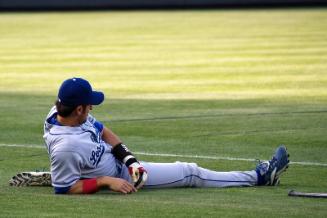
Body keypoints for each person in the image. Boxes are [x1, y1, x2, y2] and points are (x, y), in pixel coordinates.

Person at [10, 77, 290, 194]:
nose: (93, 107)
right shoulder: (66, 147)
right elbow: (65, 190)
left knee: (76, 169)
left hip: (118, 165)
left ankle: (73, 173)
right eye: (90, 104)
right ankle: (261, 176)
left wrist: (131, 160)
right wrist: (109, 181)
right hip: (115, 175)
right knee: (189, 172)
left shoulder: (61, 112)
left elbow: (103, 131)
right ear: (79, 108)